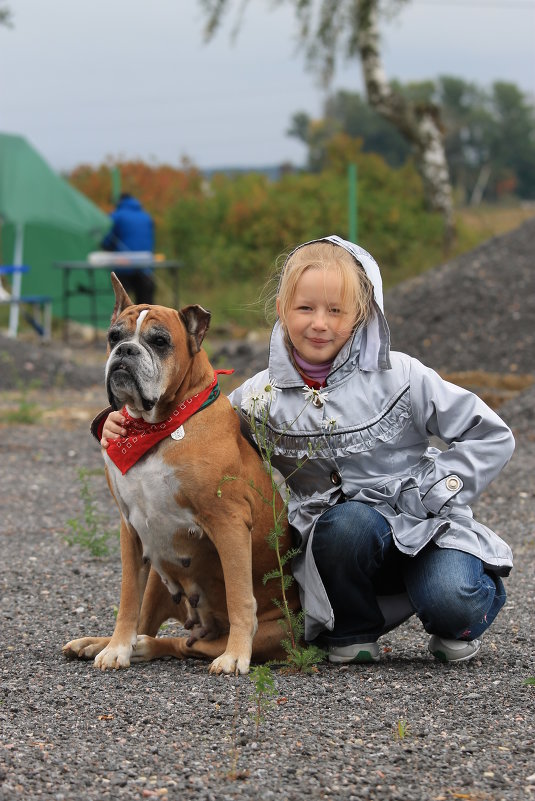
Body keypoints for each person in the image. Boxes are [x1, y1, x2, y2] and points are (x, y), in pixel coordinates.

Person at [99, 235, 515, 665]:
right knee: (344, 525)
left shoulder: (402, 375)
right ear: (282, 310)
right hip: (344, 545)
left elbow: (493, 435)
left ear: (362, 315)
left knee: (452, 598)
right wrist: (116, 421)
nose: (320, 323)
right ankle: (355, 629)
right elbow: (195, 423)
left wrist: (430, 494)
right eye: (305, 309)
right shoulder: (260, 396)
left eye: (336, 310)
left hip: (424, 527)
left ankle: (461, 608)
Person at [101, 193, 156, 305]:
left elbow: (108, 240)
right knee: (146, 304)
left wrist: (104, 246)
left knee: (122, 304)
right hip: (145, 266)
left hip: (123, 265)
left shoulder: (117, 215)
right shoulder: (146, 216)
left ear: (120, 202)